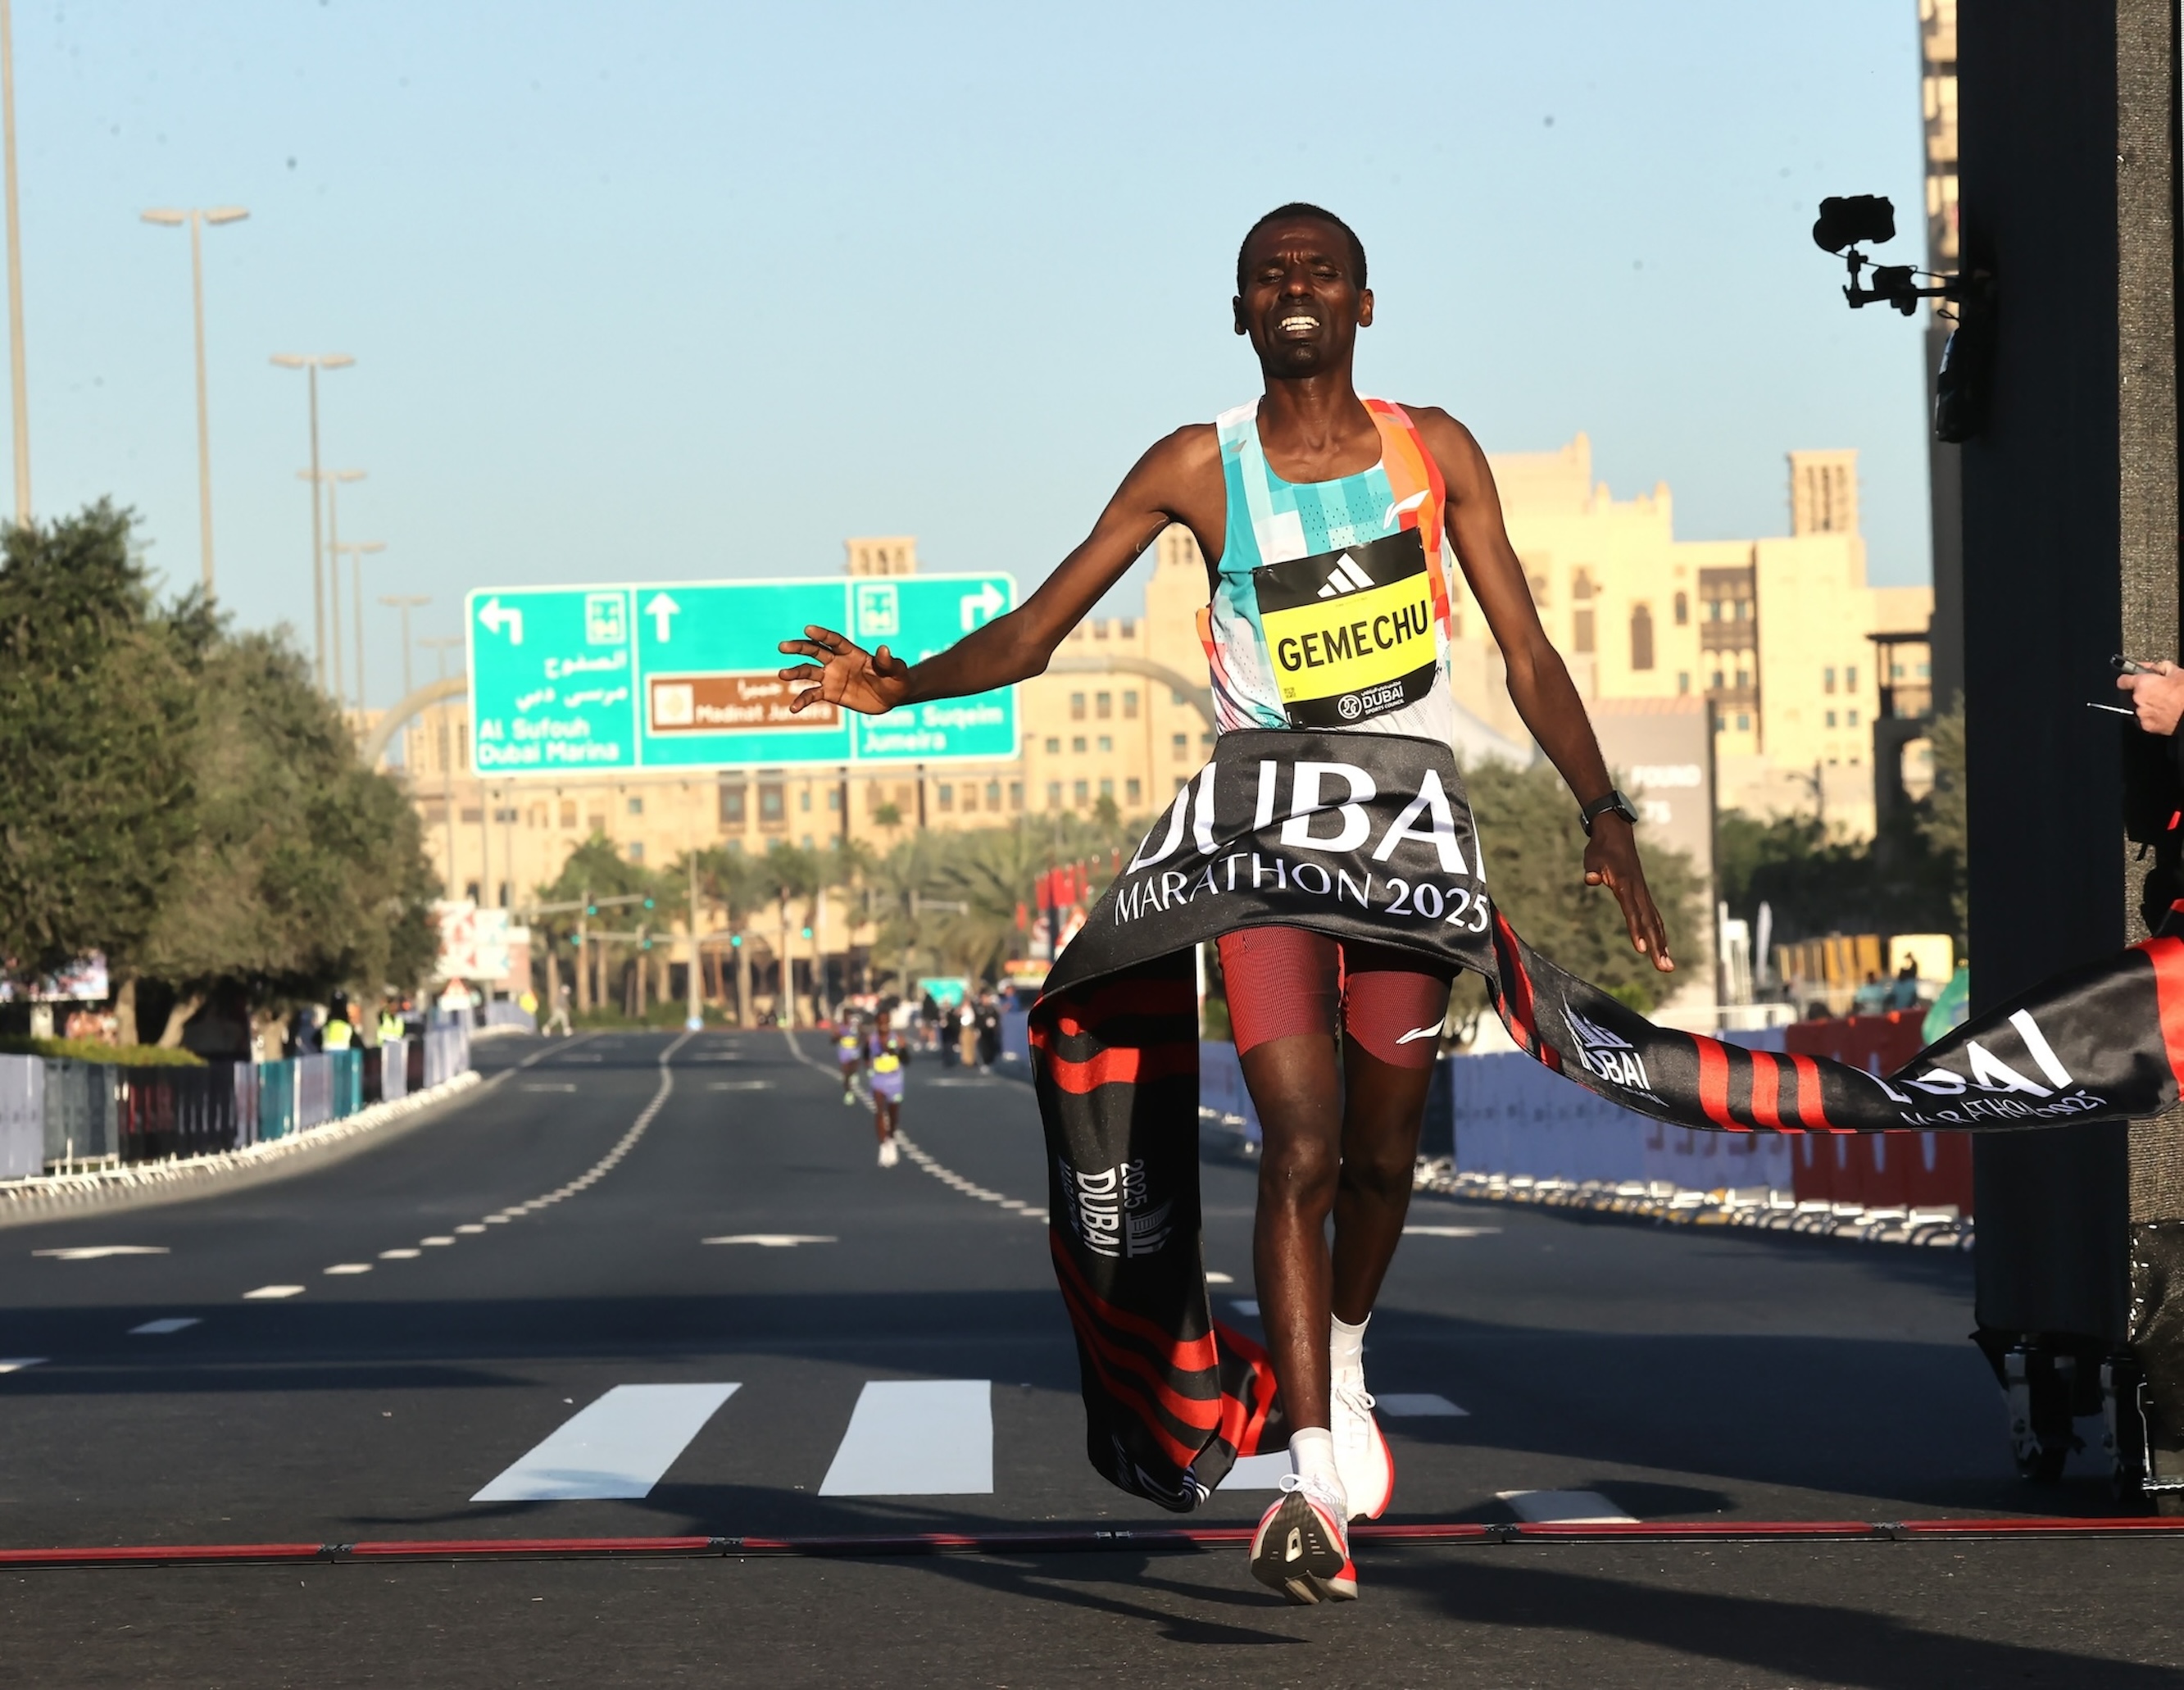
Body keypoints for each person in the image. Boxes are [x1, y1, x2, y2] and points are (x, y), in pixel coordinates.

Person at [778, 202, 1672, 1604]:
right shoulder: (1198, 465)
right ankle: (1311, 1472)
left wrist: (1602, 808)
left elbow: (1525, 648)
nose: (1295, 285)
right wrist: (896, 684)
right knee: (1299, 1142)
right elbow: (1036, 631)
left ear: (1365, 306)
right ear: (1239, 310)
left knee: (1382, 1156)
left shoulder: (1435, 452)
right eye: (1270, 273)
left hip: (1404, 820)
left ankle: (1351, 1356)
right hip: (1259, 825)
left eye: (1320, 270)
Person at [869, 1029, 908, 1166]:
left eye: (886, 1022)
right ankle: (883, 1146)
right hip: (879, 1080)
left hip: (894, 1080)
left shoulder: (896, 1039)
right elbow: (866, 1056)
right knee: (879, 1111)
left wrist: (902, 1048)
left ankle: (891, 1139)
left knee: (893, 1114)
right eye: (880, 1022)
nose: (883, 1025)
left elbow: (906, 1060)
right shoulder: (872, 1039)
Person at [835, 1018, 867, 1105]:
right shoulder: (840, 1026)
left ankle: (854, 1074)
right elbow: (833, 1039)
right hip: (844, 1052)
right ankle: (849, 1093)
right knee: (845, 1074)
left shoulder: (856, 1024)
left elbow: (863, 1034)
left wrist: (859, 1041)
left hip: (854, 1052)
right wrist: (838, 1036)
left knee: (853, 1069)